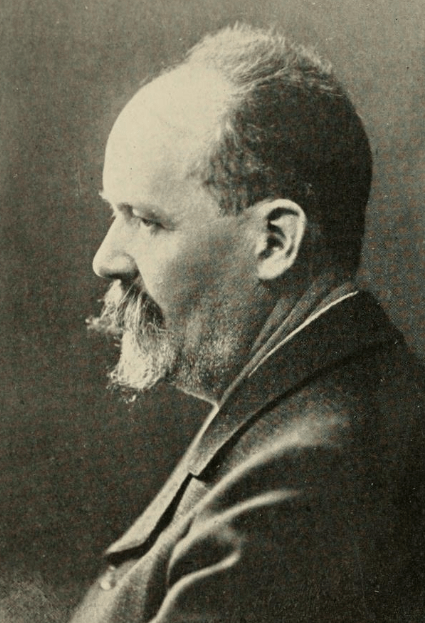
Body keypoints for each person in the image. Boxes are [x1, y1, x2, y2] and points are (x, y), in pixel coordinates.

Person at [72, 24, 425, 623]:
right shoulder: (302, 423)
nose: (105, 259)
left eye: (146, 220)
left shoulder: (302, 484)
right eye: (114, 212)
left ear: (276, 241)